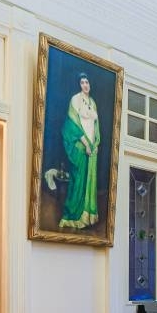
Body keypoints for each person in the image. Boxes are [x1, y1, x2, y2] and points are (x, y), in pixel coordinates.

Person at [59, 72, 100, 229]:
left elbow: (96, 126)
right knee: (78, 181)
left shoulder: (93, 102)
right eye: (82, 82)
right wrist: (86, 144)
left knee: (90, 181)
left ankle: (88, 217)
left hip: (92, 148)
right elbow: (72, 124)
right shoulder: (75, 100)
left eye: (87, 82)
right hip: (81, 146)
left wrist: (96, 143)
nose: (85, 85)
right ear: (79, 84)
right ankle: (72, 217)